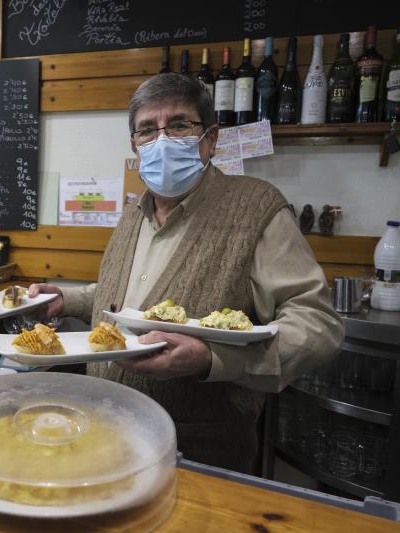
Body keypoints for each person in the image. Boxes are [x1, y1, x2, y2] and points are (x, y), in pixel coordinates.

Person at [29, 73, 344, 473]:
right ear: (135, 146)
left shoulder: (257, 209)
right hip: (109, 430)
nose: (162, 140)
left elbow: (318, 324)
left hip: (198, 453)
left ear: (210, 139)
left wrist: (214, 359)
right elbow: (127, 297)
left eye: (179, 125)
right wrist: (68, 299)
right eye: (148, 129)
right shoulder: (133, 214)